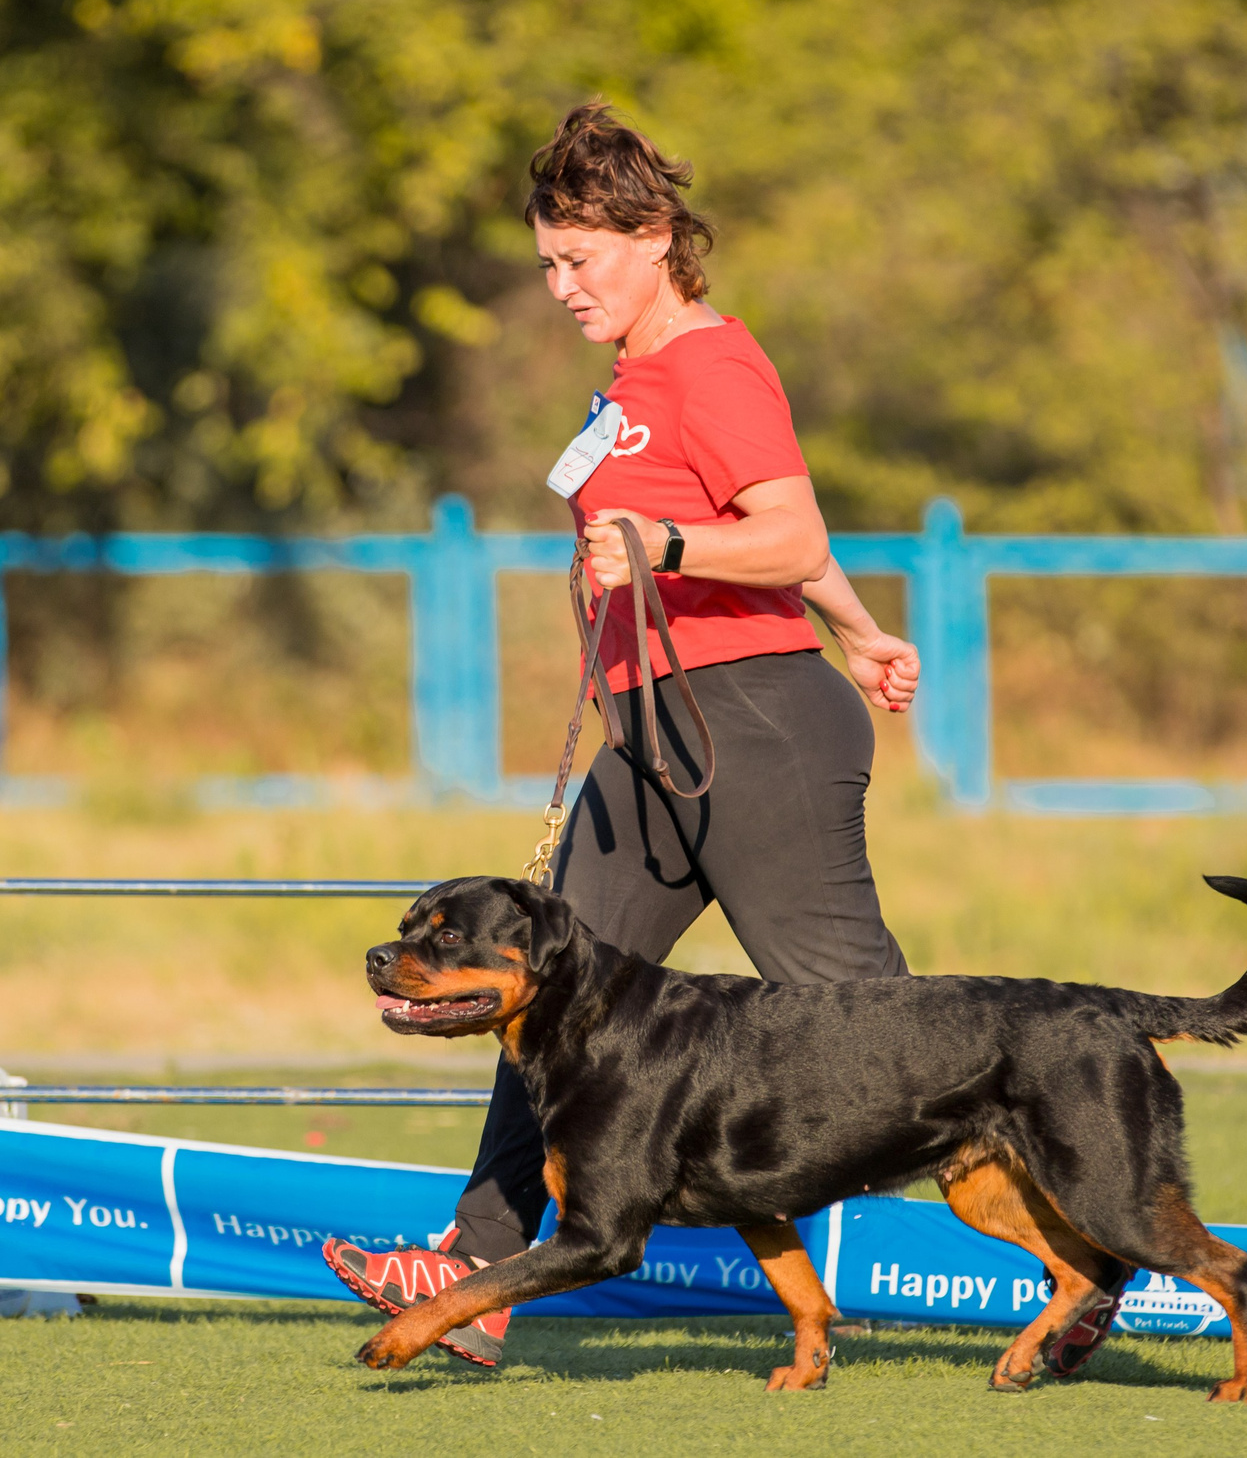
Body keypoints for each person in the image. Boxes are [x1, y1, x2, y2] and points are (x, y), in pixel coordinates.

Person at [329, 104, 922, 1362]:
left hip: (752, 728)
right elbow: (785, 553)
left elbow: (786, 531)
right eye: (547, 263)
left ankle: (1059, 1229)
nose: (559, 286)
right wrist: (864, 632)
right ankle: (473, 1273)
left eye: (579, 259)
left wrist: (665, 545)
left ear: (654, 237)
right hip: (649, 737)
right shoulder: (632, 382)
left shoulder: (711, 366)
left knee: (861, 1026)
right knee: (540, 990)